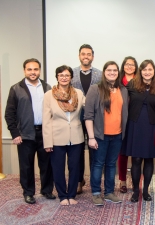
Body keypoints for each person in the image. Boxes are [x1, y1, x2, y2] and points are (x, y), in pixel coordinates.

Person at [5, 58, 55, 204]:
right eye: (29, 69)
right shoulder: (16, 89)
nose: (33, 72)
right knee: (26, 166)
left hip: (44, 133)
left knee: (46, 165)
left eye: (35, 69)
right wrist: (15, 133)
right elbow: (9, 113)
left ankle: (46, 190)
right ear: (24, 71)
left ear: (39, 70)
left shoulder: (47, 87)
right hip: (25, 134)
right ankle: (28, 193)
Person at [84, 61, 128, 206]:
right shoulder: (95, 89)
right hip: (99, 136)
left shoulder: (123, 90)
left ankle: (109, 193)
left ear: (118, 73)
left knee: (111, 164)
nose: (112, 73)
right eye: (109, 70)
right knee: (98, 164)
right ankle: (96, 193)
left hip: (117, 135)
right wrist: (91, 137)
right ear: (104, 72)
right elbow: (88, 115)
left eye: (115, 70)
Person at [43, 65, 85, 205]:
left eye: (67, 75)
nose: (64, 77)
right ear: (57, 77)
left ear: (71, 77)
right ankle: (62, 195)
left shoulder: (78, 93)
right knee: (58, 168)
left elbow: (89, 107)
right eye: (61, 75)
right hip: (56, 137)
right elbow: (46, 120)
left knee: (75, 167)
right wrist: (47, 142)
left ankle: (72, 195)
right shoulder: (49, 95)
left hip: (76, 136)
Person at [122, 59, 155, 203]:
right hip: (134, 125)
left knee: (149, 159)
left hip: (151, 126)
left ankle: (145, 191)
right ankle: (135, 191)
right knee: (136, 159)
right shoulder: (131, 85)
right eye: (144, 69)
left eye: (150, 69)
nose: (147, 72)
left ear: (154, 71)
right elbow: (123, 103)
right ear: (140, 71)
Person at [72, 44, 102, 194]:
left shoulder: (100, 74)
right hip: (76, 118)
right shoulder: (71, 73)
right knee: (77, 151)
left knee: (94, 151)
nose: (86, 56)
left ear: (92, 57)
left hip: (94, 119)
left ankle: (94, 183)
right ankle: (79, 181)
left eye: (89, 54)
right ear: (79, 56)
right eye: (83, 54)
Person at [117, 56, 139, 193]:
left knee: (137, 153)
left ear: (136, 67)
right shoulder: (118, 81)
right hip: (121, 119)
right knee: (123, 152)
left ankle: (137, 181)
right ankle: (122, 180)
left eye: (132, 64)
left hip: (137, 120)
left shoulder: (140, 81)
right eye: (127, 64)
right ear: (123, 66)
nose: (129, 66)